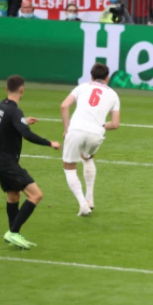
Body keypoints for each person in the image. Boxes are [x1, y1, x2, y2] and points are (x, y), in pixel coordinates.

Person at [0, 75, 61, 249]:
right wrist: (50, 143)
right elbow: (26, 134)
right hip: (7, 161)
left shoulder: (2, 105)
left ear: (7, 89)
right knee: (36, 195)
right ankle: (13, 232)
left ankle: (14, 234)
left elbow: (9, 124)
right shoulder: (15, 111)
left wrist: (23, 121)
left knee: (14, 195)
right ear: (22, 90)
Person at [60, 63, 120, 216]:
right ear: (107, 78)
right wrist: (99, 124)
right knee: (87, 158)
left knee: (69, 166)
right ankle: (90, 198)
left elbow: (64, 106)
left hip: (76, 130)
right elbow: (114, 124)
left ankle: (82, 204)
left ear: (91, 76)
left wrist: (67, 129)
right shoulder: (113, 94)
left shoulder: (82, 87)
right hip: (96, 134)